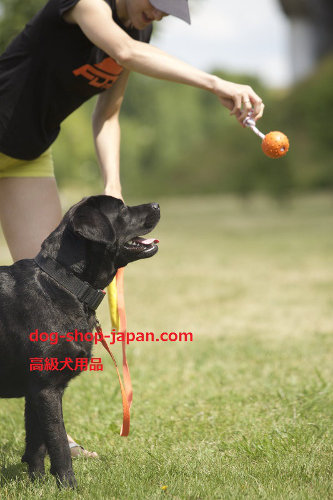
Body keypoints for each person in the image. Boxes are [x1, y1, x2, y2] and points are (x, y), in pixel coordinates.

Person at [0, 0, 264, 457]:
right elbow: (122, 51)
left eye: (170, 10)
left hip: (27, 155)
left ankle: (49, 435)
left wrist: (114, 182)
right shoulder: (85, 4)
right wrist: (215, 83)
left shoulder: (139, 31)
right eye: (156, 4)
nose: (160, 15)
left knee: (51, 294)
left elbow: (107, 116)